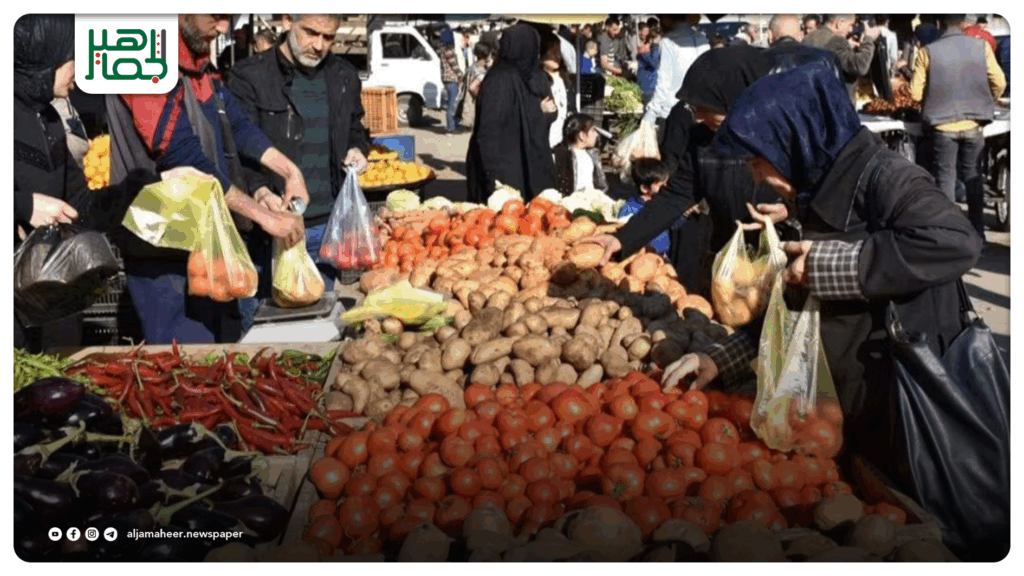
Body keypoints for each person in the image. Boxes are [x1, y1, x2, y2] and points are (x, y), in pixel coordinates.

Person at [664, 62, 982, 539]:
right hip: (858, 405)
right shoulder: (820, 186)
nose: (754, 170)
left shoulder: (885, 177)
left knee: (931, 531)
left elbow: (955, 241)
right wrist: (721, 358)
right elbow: (796, 303)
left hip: (911, 402)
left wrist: (829, 265)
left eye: (760, 155)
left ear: (797, 137)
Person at [582, 43, 840, 296]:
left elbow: (828, 189)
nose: (700, 117)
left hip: (787, 258)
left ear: (737, 98)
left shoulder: (786, 132)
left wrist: (790, 208)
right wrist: (623, 239)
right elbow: (675, 197)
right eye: (698, 109)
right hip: (727, 260)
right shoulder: (702, 140)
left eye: (708, 109)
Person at [113, 14, 308, 344]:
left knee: (222, 355)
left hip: (207, 238)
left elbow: (236, 123)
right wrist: (264, 216)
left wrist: (289, 170)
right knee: (183, 364)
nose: (223, 28)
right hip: (164, 247)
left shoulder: (197, 58)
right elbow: (182, 154)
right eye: (217, 15)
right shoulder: (140, 54)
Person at [229, 14, 369, 295]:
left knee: (316, 322)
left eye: (329, 37)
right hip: (269, 230)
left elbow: (356, 127)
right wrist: (259, 191)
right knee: (265, 326)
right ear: (286, 21)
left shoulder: (344, 76)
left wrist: (358, 149)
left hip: (326, 226)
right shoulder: (249, 76)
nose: (319, 45)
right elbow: (237, 146)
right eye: (311, 33)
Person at [911, 14, 1006, 241]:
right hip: (974, 123)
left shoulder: (927, 51)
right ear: (965, 23)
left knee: (945, 180)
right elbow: (1000, 81)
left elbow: (915, 93)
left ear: (938, 24)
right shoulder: (981, 47)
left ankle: (949, 236)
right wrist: (987, 98)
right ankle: (977, 234)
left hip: (942, 126)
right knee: (974, 178)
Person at [466, 23, 556, 203]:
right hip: (503, 167)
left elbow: (551, 110)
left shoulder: (534, 76)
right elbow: (491, 129)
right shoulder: (500, 79)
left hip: (529, 161)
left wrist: (543, 114)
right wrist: (539, 112)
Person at [642, 14, 710, 127]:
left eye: (661, 20)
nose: (660, 25)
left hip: (674, 111)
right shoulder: (703, 39)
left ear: (667, 19)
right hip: (700, 111)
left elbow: (664, 81)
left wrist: (651, 114)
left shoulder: (669, 41)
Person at [803, 14, 883, 104]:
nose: (850, 30)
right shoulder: (837, 41)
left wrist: (849, 49)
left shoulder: (807, 39)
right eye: (850, 25)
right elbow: (860, 66)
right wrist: (869, 40)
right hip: (836, 105)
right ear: (839, 24)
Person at [617, 158, 679, 256]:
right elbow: (626, 234)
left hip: (662, 254)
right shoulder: (631, 208)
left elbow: (673, 225)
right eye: (661, 184)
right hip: (642, 256)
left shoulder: (661, 204)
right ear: (645, 188)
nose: (665, 187)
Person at [552, 113, 607, 194]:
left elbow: (600, 184)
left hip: (590, 202)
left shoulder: (592, 155)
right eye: (593, 130)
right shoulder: (561, 156)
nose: (596, 134)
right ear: (582, 136)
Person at [541, 32, 575, 149]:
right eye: (552, 51)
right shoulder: (538, 81)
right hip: (545, 141)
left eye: (559, 51)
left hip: (561, 141)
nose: (557, 56)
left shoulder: (564, 79)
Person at [436, 27, 464, 133]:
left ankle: (451, 126)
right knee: (452, 105)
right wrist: (461, 75)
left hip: (445, 79)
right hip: (452, 79)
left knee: (450, 104)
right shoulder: (448, 51)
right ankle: (451, 128)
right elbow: (455, 66)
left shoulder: (441, 50)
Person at [459, 42, 493, 129]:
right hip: (473, 106)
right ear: (485, 56)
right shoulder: (481, 72)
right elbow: (472, 88)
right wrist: (480, 96)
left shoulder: (472, 67)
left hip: (466, 105)